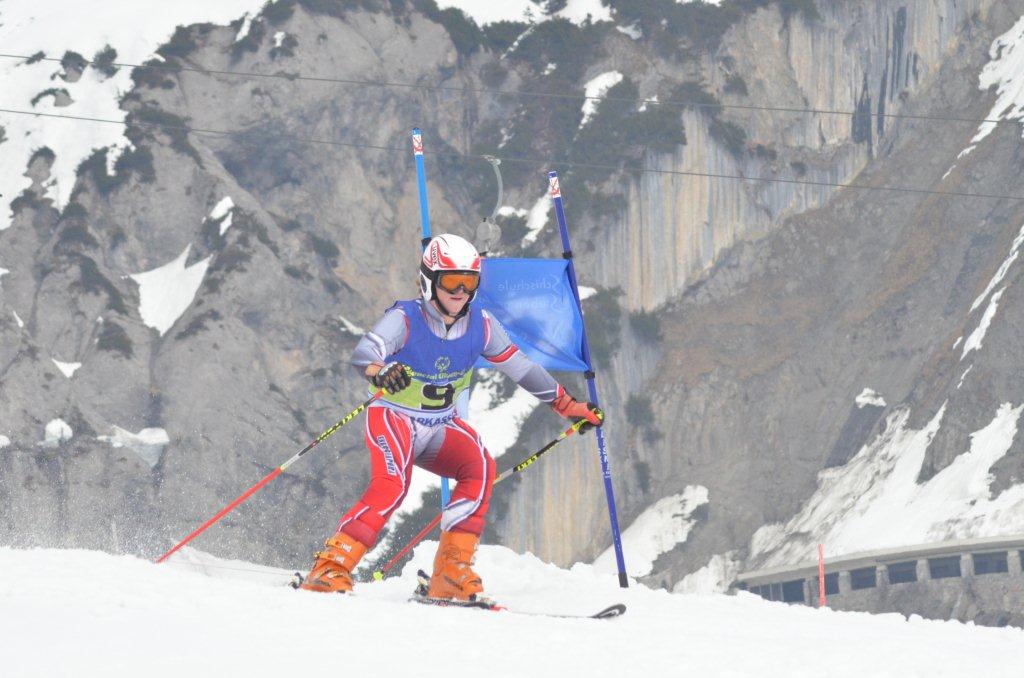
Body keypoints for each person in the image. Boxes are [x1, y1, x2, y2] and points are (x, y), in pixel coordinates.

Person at [299, 233, 604, 601]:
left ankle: (450, 573)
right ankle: (330, 568)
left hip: (439, 424)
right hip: (394, 417)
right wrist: (380, 371)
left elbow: (522, 368)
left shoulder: (482, 325)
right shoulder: (405, 319)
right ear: (430, 280)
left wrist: (567, 406)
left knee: (480, 468)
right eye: (451, 282)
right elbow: (365, 352)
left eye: (469, 283)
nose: (460, 292)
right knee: (392, 486)